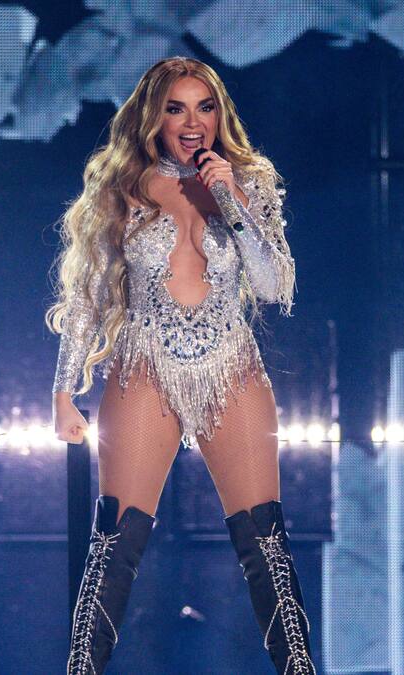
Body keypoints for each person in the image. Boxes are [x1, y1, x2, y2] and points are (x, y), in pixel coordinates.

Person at [47, 56, 314, 674]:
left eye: (204, 107)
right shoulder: (123, 186)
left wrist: (231, 199)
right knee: (115, 540)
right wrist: (64, 390)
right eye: (176, 109)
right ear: (154, 118)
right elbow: (88, 294)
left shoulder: (249, 182)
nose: (192, 123)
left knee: (266, 542)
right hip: (146, 363)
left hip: (230, 363)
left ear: (220, 115)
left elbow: (273, 286)